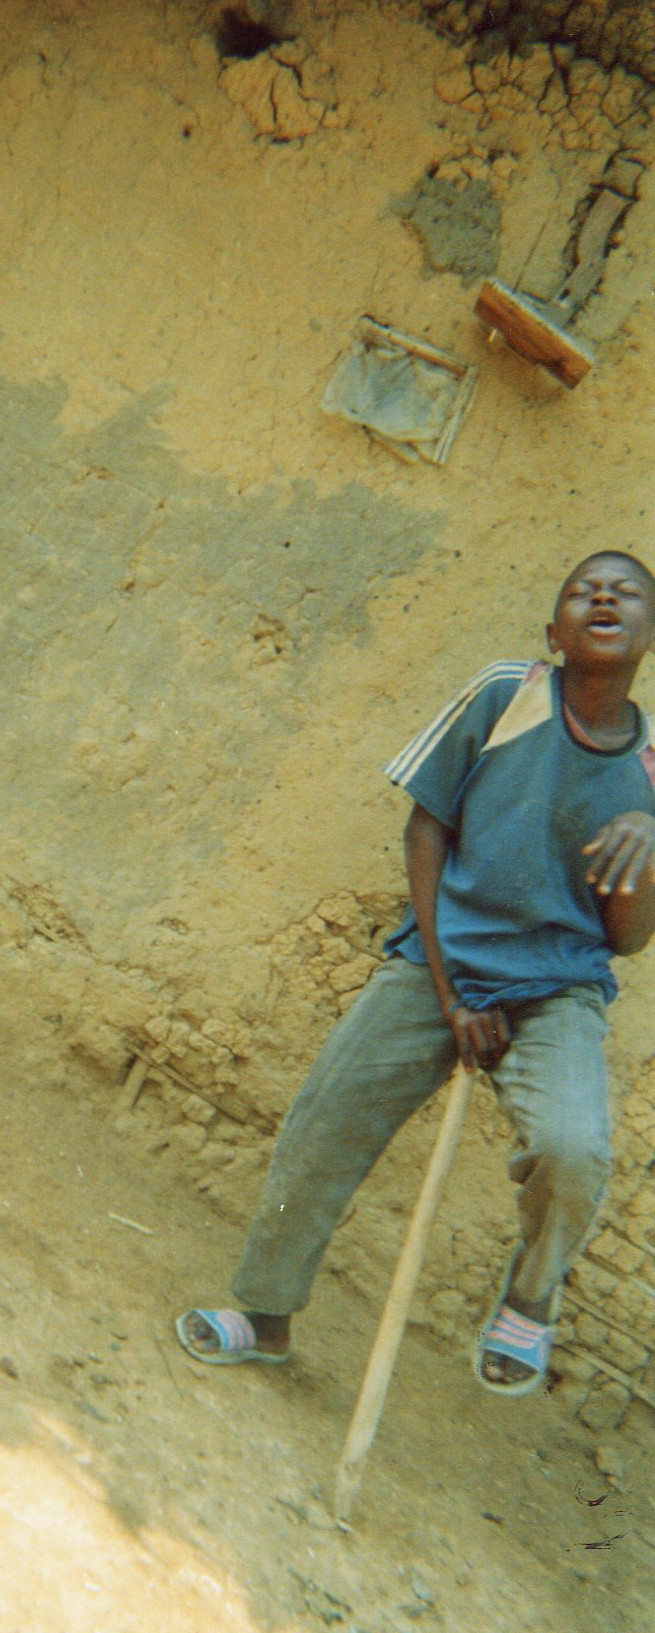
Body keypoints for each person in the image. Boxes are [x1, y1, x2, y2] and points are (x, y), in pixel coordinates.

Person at [177, 550, 655, 1395]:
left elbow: (624, 942)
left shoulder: (652, 775)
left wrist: (651, 853)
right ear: (554, 633)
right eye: (582, 590)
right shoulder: (506, 694)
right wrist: (448, 994)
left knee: (572, 1150)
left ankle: (529, 1301)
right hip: (443, 961)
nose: (603, 598)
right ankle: (264, 1314)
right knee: (325, 1126)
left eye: (625, 593)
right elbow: (424, 831)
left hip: (556, 988)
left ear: (649, 636)